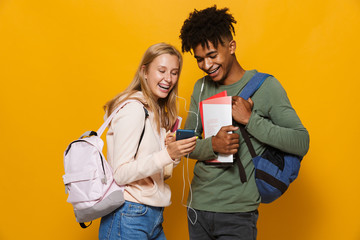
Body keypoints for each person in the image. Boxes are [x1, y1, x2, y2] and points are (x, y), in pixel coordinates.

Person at [179, 6, 310, 240]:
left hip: (238, 213)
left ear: (231, 47)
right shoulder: (200, 87)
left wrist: (250, 120)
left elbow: (301, 141)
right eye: (199, 59)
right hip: (198, 208)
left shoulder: (266, 87)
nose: (207, 65)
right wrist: (213, 146)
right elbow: (186, 144)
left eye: (212, 55)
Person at [98, 42, 197, 240]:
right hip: (128, 215)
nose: (168, 79)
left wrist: (172, 153)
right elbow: (120, 174)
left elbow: (158, 175)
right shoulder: (134, 110)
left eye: (174, 72)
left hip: (152, 215)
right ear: (145, 71)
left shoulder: (155, 113)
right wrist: (167, 154)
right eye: (161, 71)